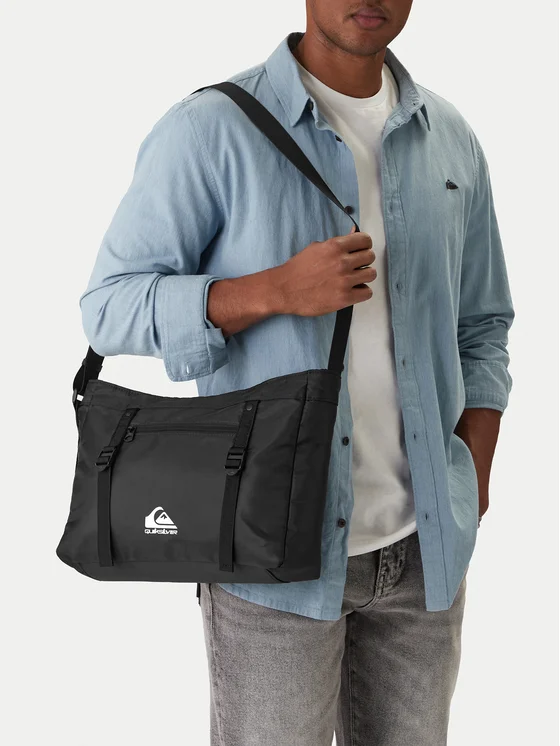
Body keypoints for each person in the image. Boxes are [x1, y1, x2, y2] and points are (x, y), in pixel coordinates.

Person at [80, 1, 515, 744]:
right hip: (271, 557)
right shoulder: (211, 129)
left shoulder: (450, 137)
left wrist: (469, 479)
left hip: (424, 555)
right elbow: (108, 309)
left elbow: (483, 323)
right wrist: (272, 291)